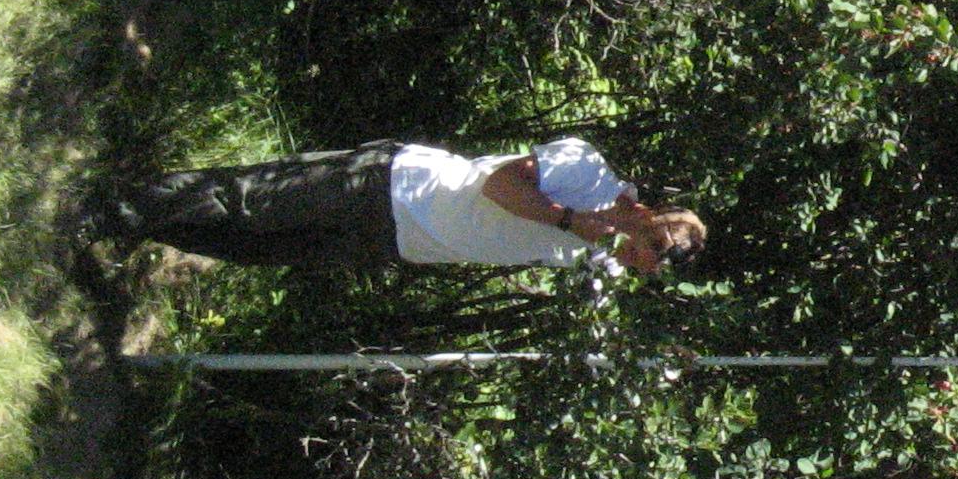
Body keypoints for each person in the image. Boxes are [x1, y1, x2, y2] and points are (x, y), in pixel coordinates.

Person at [93, 137, 707, 276]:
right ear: (651, 213)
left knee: (255, 248)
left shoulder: (601, 264)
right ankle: (111, 206)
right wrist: (573, 219)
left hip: (395, 244)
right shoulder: (588, 173)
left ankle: (138, 222)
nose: (647, 262)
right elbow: (498, 186)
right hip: (396, 185)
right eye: (658, 246)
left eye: (657, 268)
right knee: (248, 201)